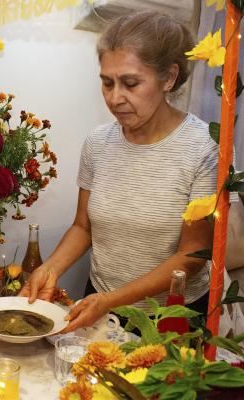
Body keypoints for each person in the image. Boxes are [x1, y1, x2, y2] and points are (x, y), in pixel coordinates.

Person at [19, 11, 216, 333]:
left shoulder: (204, 146)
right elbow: (83, 227)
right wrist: (50, 269)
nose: (115, 98)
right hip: (98, 301)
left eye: (130, 83)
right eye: (107, 83)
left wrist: (111, 300)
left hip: (169, 315)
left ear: (168, 78)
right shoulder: (98, 143)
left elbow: (193, 256)